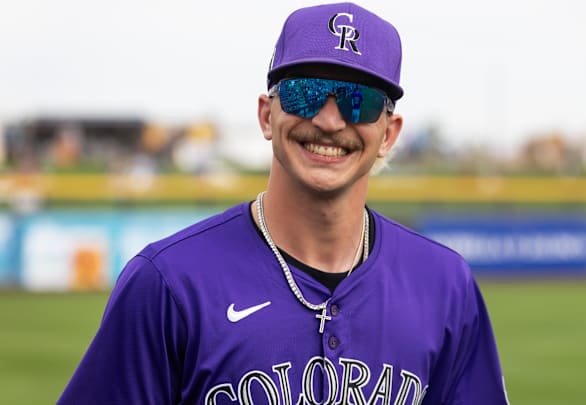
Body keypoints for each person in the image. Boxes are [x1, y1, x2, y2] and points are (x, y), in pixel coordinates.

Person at [58, 3, 510, 404]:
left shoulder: (446, 285)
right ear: (266, 115)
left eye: (360, 101)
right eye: (306, 93)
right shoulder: (168, 283)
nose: (330, 121)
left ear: (388, 133)